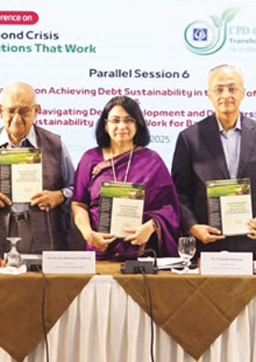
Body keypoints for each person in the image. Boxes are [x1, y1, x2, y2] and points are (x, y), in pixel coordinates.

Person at [171, 64, 256, 257]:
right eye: (219, 89)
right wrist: (192, 227)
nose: (226, 95)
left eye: (232, 89)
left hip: (253, 242)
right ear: (209, 94)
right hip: (208, 242)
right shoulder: (189, 138)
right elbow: (179, 192)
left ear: (243, 93)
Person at [0, 82, 75, 256]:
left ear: (36, 111)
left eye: (23, 111)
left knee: (42, 282)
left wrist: (59, 196)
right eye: (11, 111)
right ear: (0, 110)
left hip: (46, 232)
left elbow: (75, 189)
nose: (16, 118)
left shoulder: (55, 144)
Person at [71, 95, 180, 260]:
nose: (122, 126)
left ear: (138, 125)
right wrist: (89, 234)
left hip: (140, 253)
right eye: (115, 120)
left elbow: (170, 208)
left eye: (129, 120)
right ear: (105, 126)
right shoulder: (90, 158)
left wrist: (151, 226)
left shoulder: (152, 160)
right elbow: (79, 204)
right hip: (99, 250)